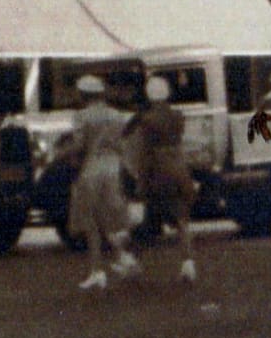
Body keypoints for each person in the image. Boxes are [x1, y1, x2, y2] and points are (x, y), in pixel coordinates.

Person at [126, 74, 200, 285]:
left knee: (150, 219)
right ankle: (188, 263)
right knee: (181, 219)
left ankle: (133, 261)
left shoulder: (147, 120)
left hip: (159, 170)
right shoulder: (178, 116)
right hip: (178, 166)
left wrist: (141, 180)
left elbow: (145, 152)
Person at [67, 75, 138, 291]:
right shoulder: (117, 115)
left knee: (91, 221)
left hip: (92, 168)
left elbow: (79, 146)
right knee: (111, 217)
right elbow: (122, 144)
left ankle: (98, 270)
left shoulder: (81, 116)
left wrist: (65, 154)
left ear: (83, 94)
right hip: (113, 167)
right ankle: (122, 257)